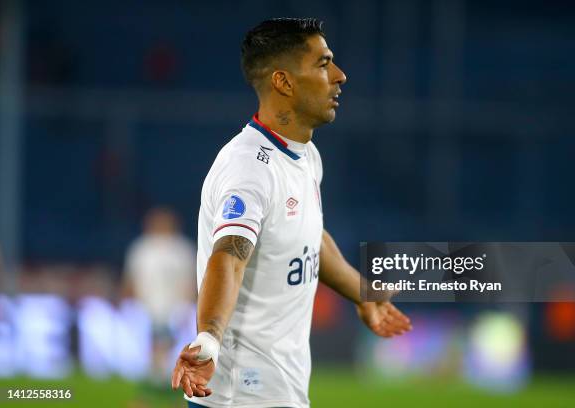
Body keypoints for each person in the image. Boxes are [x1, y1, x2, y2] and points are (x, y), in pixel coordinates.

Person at [172, 18, 412, 408]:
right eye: (323, 64)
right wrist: (208, 339)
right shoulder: (249, 168)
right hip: (242, 395)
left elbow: (306, 234)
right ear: (283, 82)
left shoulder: (305, 156)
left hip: (278, 391)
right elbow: (229, 256)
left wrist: (361, 292)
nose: (340, 75)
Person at [123, 207, 197, 381]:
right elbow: (131, 277)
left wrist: (188, 303)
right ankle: (155, 373)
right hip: (146, 303)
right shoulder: (142, 247)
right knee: (151, 340)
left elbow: (190, 279)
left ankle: (165, 374)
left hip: (174, 303)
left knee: (170, 340)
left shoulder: (182, 248)